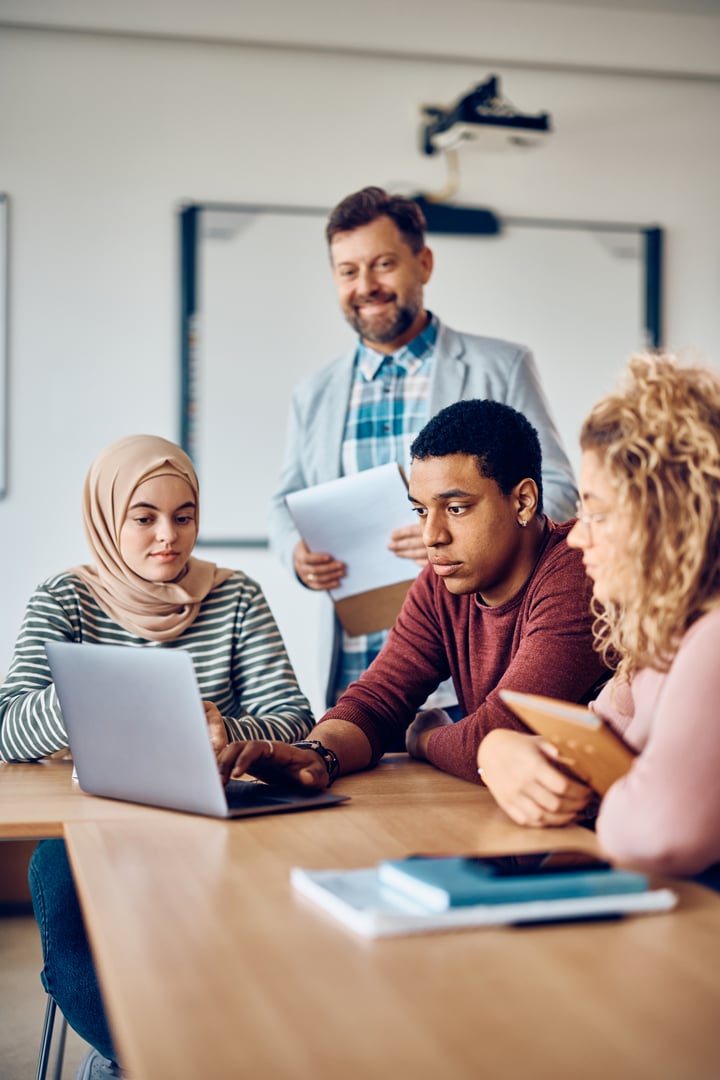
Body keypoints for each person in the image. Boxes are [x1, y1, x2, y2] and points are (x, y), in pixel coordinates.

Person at [0, 434, 314, 1079]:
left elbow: (297, 720)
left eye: (185, 516)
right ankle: (135, 1059)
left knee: (277, 950)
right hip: (89, 828)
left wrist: (225, 728)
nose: (167, 536)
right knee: (77, 959)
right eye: (143, 518)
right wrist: (92, 702)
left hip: (219, 823)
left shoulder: (236, 597)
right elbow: (6, 728)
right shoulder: (65, 598)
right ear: (108, 517)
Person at [270, 185, 578, 709]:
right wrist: (298, 556)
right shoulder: (314, 391)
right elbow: (285, 501)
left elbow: (561, 492)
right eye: (348, 271)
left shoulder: (499, 365)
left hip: (471, 650)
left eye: (383, 264)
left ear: (423, 263)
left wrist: (457, 529)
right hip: (359, 657)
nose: (365, 285)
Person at [220, 398, 607, 792]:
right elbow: (377, 700)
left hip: (590, 835)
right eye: (421, 511)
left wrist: (423, 738)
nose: (431, 536)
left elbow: (496, 737)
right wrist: (317, 754)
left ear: (523, 501)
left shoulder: (580, 572)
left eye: (455, 508)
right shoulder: (442, 581)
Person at [476, 354, 720, 877]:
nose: (578, 536)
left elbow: (658, 835)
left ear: (673, 521)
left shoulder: (714, 639)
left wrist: (607, 794)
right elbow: (586, 743)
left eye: (600, 513)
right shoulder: (661, 640)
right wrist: (497, 751)